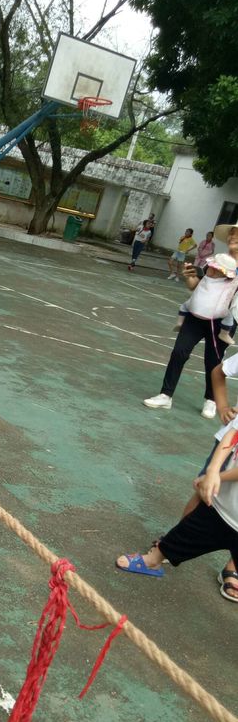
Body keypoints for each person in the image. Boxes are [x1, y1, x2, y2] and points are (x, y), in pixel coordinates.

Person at [115, 418, 238, 602]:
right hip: (222, 508)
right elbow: (233, 433)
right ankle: (153, 560)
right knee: (186, 533)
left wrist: (217, 476)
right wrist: (213, 472)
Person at [144, 249, 238, 417]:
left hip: (218, 323)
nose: (211, 269)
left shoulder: (233, 279)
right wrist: (189, 275)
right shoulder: (213, 265)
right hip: (194, 317)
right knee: (179, 352)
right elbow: (193, 285)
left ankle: (211, 400)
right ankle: (166, 395)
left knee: (213, 361)